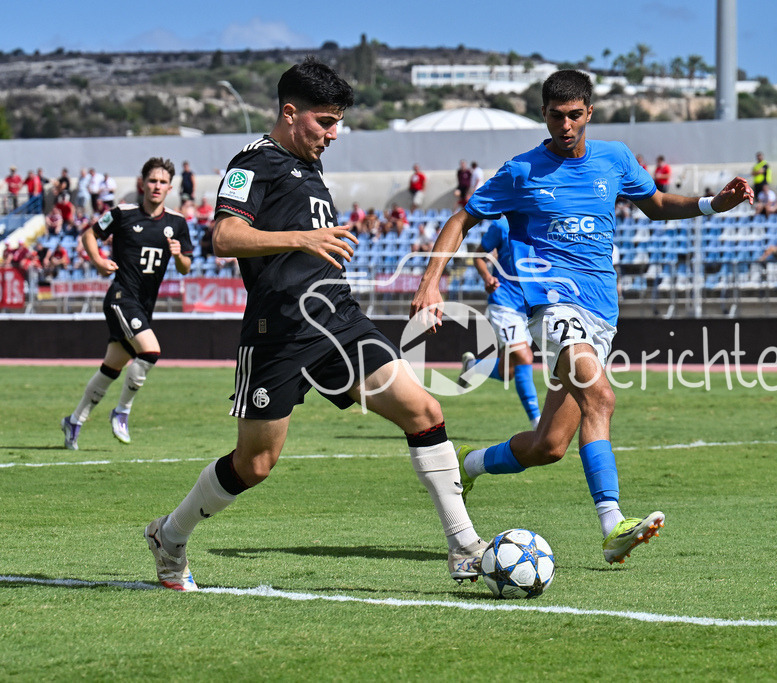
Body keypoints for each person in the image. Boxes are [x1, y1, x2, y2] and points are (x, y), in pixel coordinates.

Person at [143, 57, 487, 592]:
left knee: (424, 410)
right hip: (278, 335)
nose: (333, 133)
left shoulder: (310, 167)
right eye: (325, 122)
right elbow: (224, 238)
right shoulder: (253, 162)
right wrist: (301, 238)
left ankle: (465, 548)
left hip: (338, 322)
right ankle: (170, 534)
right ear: (290, 113)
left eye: (337, 123)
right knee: (255, 464)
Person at [411, 69, 753, 565]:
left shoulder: (614, 158)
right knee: (602, 396)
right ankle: (613, 525)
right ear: (543, 115)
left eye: (575, 115)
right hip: (551, 304)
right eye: (556, 116)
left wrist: (709, 205)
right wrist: (430, 281)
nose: (566, 125)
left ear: (589, 112)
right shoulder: (521, 171)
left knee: (549, 445)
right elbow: (462, 218)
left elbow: (654, 204)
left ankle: (469, 465)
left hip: (601, 309)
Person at [61, 157, 192, 451]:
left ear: (170, 187)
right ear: (142, 183)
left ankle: (74, 419)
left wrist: (178, 254)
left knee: (112, 366)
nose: (156, 186)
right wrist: (97, 260)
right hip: (121, 297)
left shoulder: (177, 223)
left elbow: (185, 266)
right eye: (152, 181)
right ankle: (122, 411)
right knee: (151, 351)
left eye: (162, 182)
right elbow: (89, 235)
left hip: (144, 305)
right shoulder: (123, 213)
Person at [461, 216, 542, 429]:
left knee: (509, 371)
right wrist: (487, 276)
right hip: (503, 302)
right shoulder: (501, 226)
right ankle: (538, 423)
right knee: (524, 356)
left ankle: (472, 367)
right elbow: (479, 255)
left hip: (527, 306)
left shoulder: (542, 222)